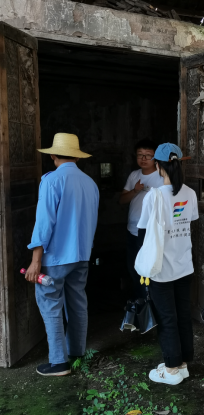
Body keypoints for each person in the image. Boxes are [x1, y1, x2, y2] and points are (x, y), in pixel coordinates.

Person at [25, 133, 99, 376]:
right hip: (82, 255)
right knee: (77, 302)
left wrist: (36, 261)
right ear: (77, 157)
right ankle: (77, 352)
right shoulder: (90, 183)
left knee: (50, 304)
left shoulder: (51, 181)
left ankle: (59, 362)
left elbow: (43, 224)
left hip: (56, 257)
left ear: (53, 156)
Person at [137, 143, 198, 385]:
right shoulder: (190, 194)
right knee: (183, 314)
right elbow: (189, 222)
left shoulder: (153, 196)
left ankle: (171, 369)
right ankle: (183, 363)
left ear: (158, 166)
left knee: (166, 318)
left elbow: (143, 233)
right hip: (184, 265)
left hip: (161, 268)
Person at [120, 139, 164, 299]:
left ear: (155, 158)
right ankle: (140, 302)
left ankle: (149, 301)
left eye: (148, 155)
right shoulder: (134, 175)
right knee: (133, 267)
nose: (143, 159)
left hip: (150, 232)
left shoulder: (161, 177)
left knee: (149, 268)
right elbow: (122, 200)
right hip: (132, 230)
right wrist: (135, 190)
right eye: (140, 155)